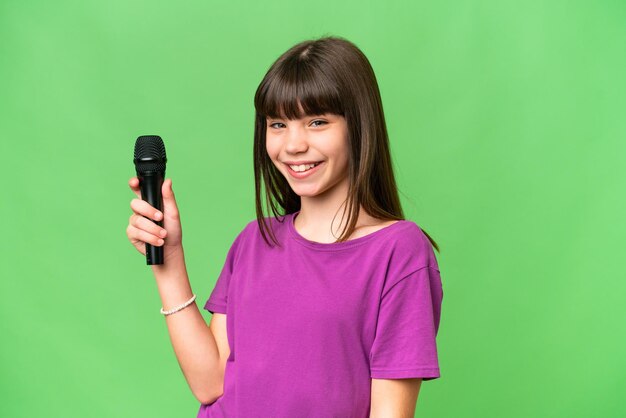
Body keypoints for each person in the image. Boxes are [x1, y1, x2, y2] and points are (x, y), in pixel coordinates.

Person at [126, 35, 443, 418]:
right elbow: (210, 383)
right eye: (278, 124)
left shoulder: (399, 251)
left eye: (317, 122)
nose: (293, 145)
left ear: (358, 126)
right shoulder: (253, 240)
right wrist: (170, 258)